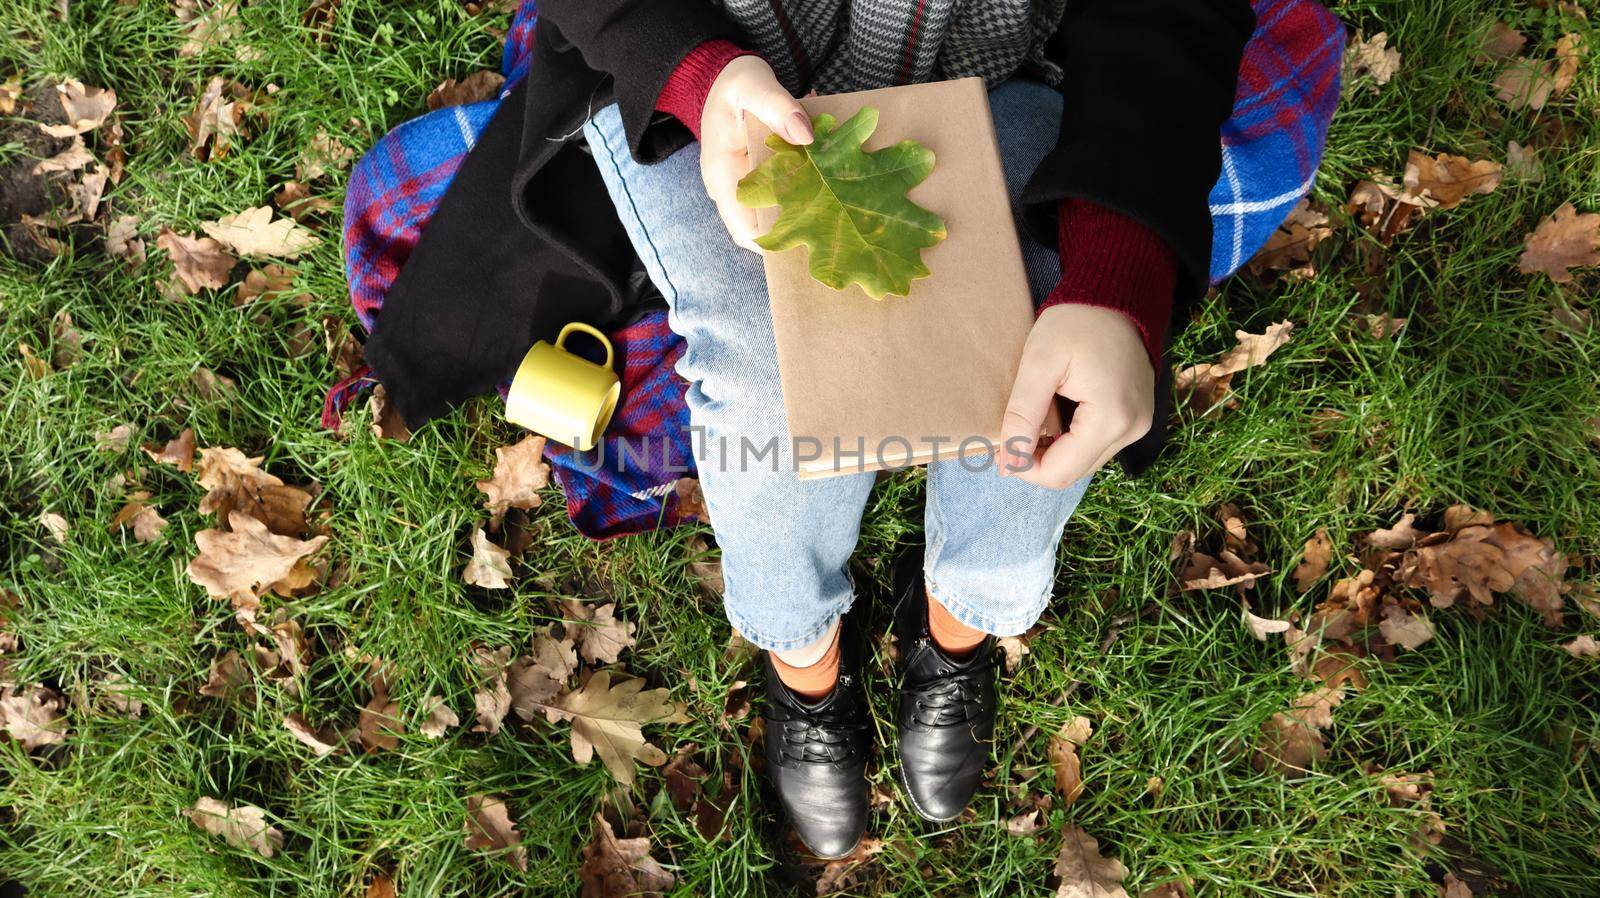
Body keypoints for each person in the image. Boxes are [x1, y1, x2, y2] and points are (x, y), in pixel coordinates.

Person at [366, 0, 1256, 858]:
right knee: (765, 383)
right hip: (695, 61)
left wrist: (1116, 272)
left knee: (1036, 366)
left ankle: (959, 623)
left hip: (1005, 64)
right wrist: (694, 73)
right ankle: (805, 663)